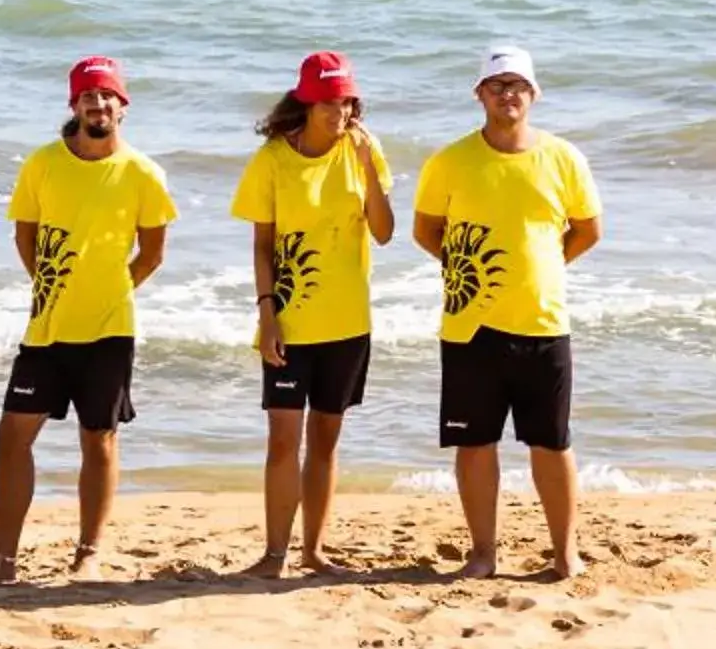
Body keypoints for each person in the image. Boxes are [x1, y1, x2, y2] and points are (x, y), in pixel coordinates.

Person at [0, 56, 177, 582]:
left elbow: (152, 254)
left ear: (122, 106)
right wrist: (51, 284)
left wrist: (110, 289)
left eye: (106, 96)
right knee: (13, 435)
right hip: (46, 327)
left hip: (108, 328)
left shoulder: (143, 172)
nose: (97, 105)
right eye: (87, 97)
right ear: (73, 105)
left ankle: (89, 553)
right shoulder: (44, 163)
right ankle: (0, 557)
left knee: (98, 437)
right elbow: (24, 235)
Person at [411, 45, 601, 580]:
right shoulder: (449, 161)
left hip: (543, 321)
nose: (507, 94)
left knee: (552, 442)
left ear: (534, 94)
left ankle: (565, 554)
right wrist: (466, 269)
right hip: (471, 326)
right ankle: (483, 554)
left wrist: (543, 266)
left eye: (517, 85)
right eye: (497, 85)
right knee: (474, 444)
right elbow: (427, 231)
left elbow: (587, 229)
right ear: (480, 94)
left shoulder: (564, 158)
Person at [232, 51, 394, 577]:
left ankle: (313, 551)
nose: (338, 111)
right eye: (327, 101)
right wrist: (267, 315)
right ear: (305, 102)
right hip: (291, 322)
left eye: (345, 100)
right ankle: (274, 554)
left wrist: (369, 167)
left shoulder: (364, 152)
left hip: (348, 322)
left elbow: (384, 232)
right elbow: (262, 247)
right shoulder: (272, 160)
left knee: (325, 440)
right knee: (283, 439)